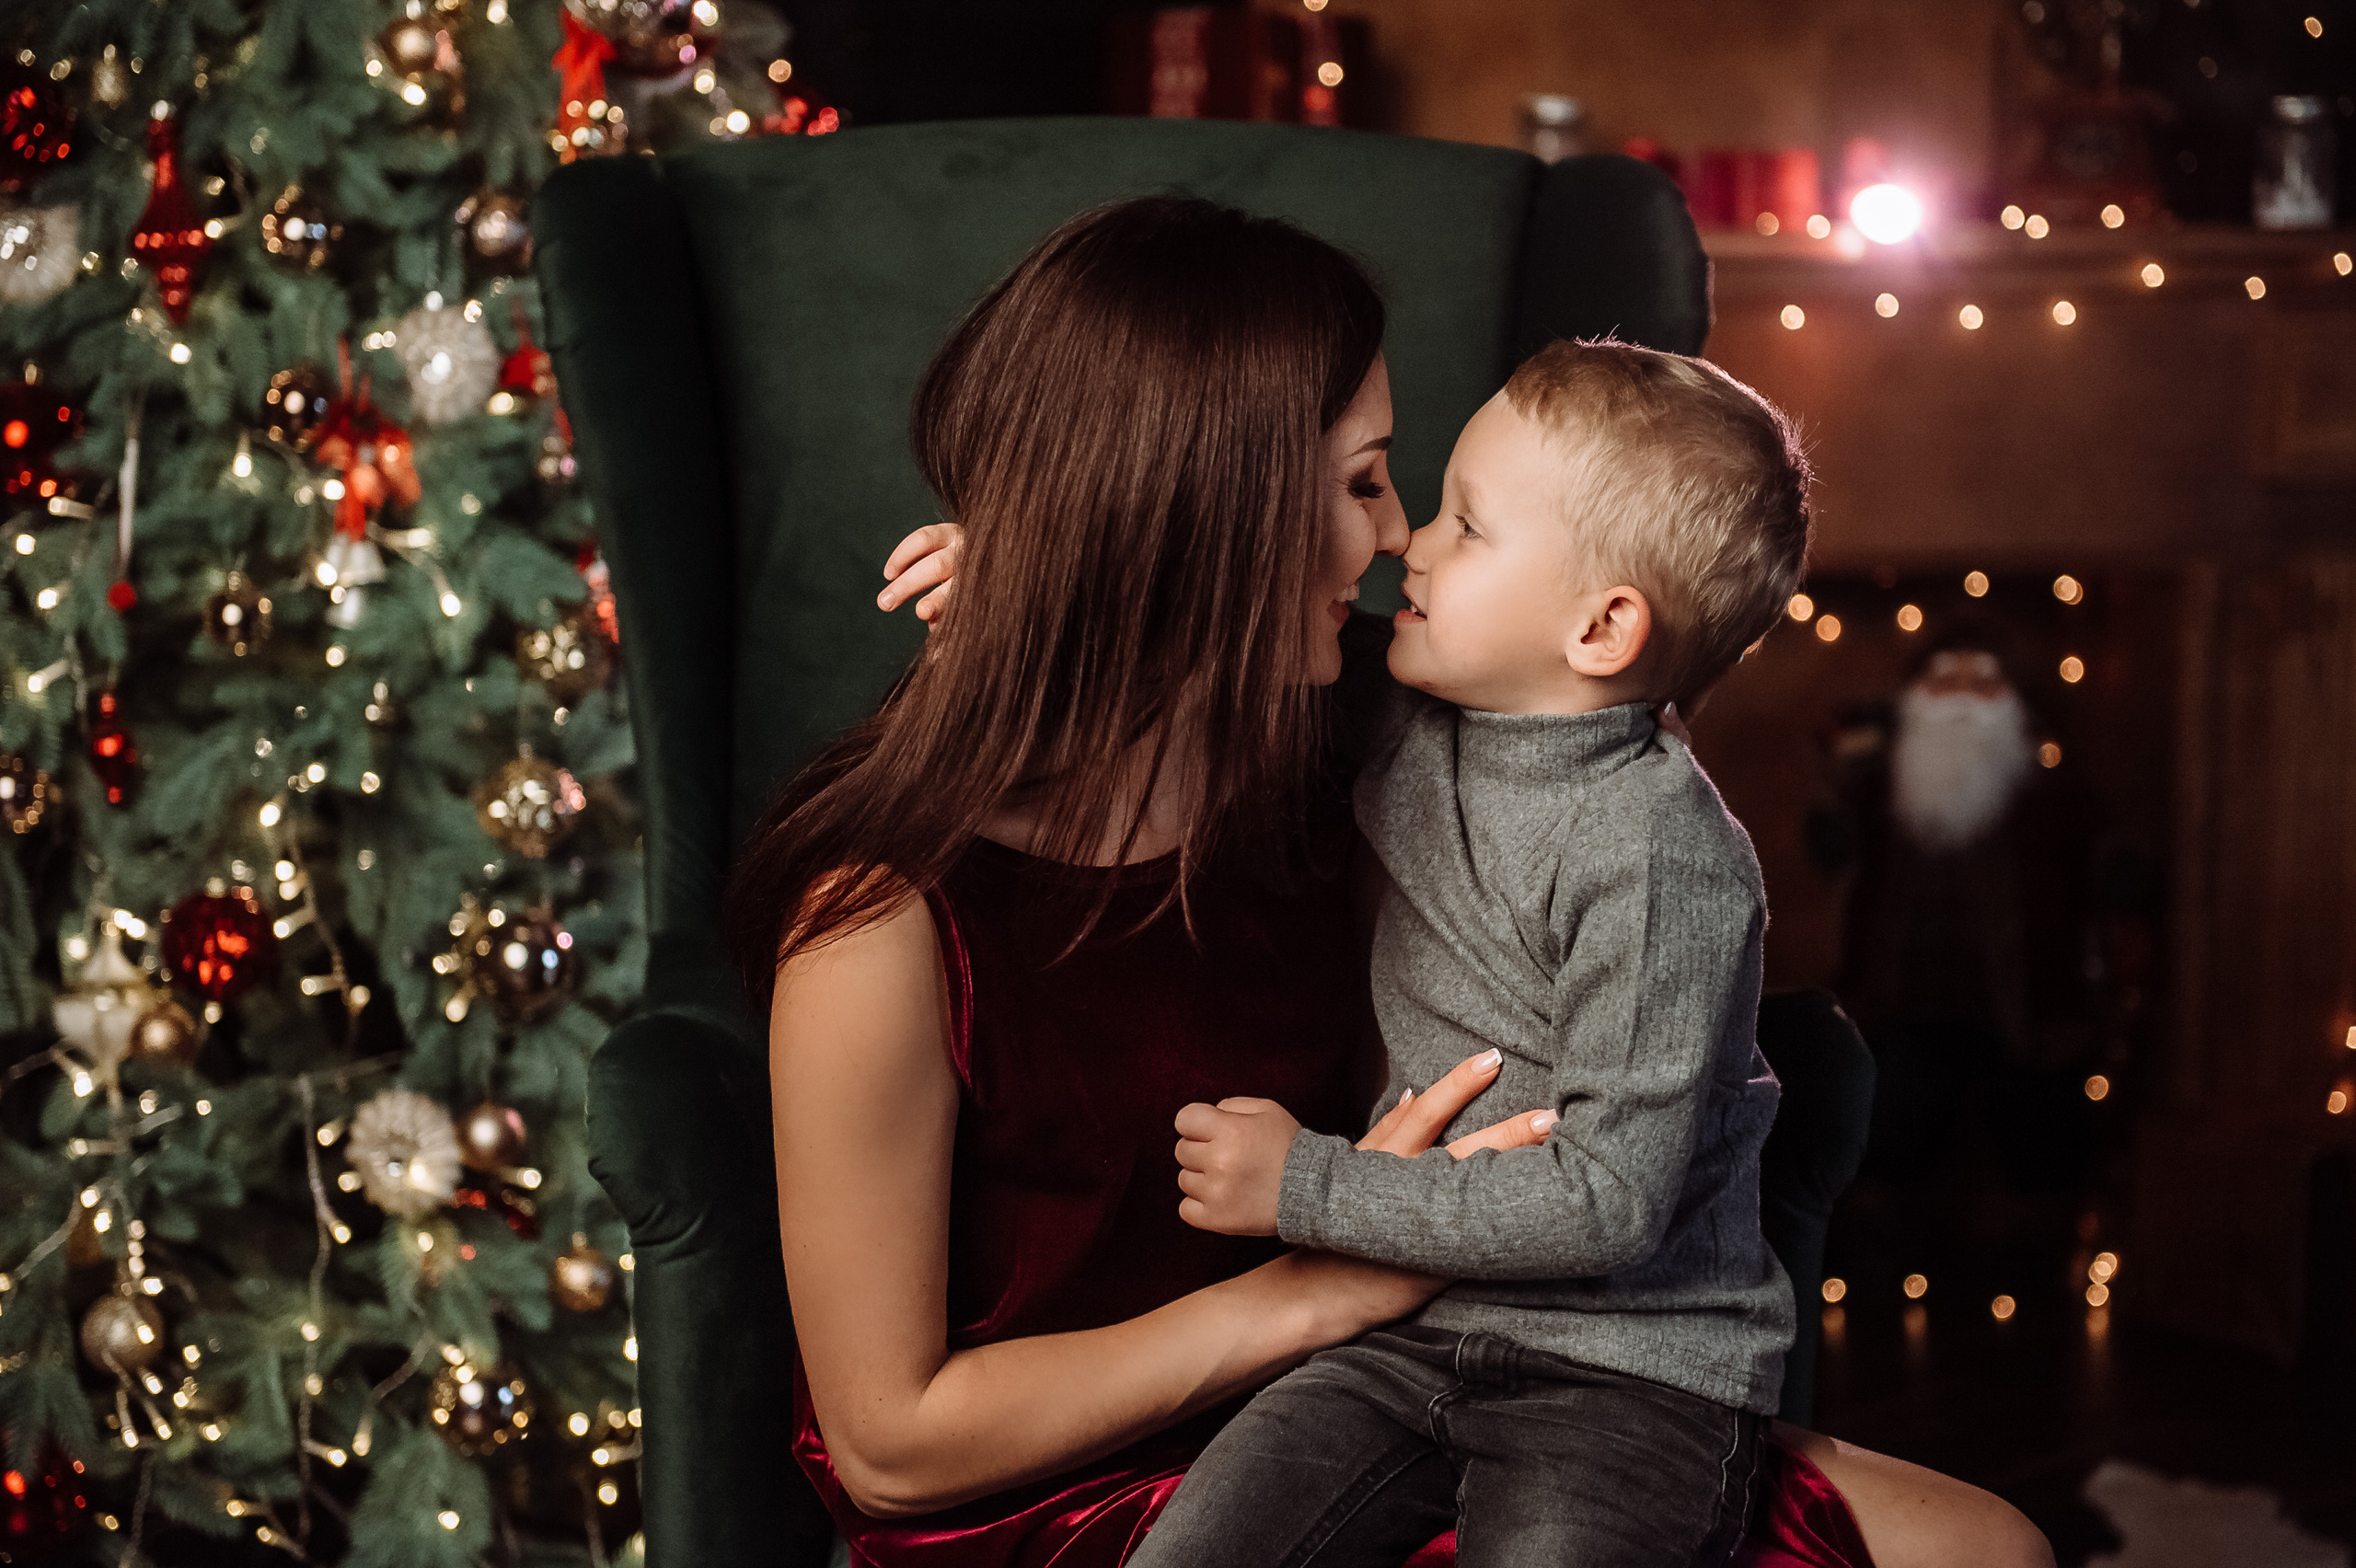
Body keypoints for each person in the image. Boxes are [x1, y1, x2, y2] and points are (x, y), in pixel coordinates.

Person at [724, 195, 2051, 1568]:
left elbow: (1606, 744)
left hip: (1432, 1366)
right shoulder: (879, 913)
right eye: (1366, 481)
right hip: (1092, 1480)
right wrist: (1319, 1294)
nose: (1398, 536)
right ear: (1205, 513)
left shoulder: (1343, 728)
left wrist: (1074, 582)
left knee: (1989, 1547)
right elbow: (890, 1450)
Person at [1126, 340, 1806, 1568]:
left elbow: (1609, 1203)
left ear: (1600, 627)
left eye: (1466, 525)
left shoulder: (1660, 856)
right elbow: (1197, 652)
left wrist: (1309, 1188)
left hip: (1624, 1373)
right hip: (1401, 1336)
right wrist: (1050, 588)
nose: (1410, 547)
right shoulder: (1396, 710)